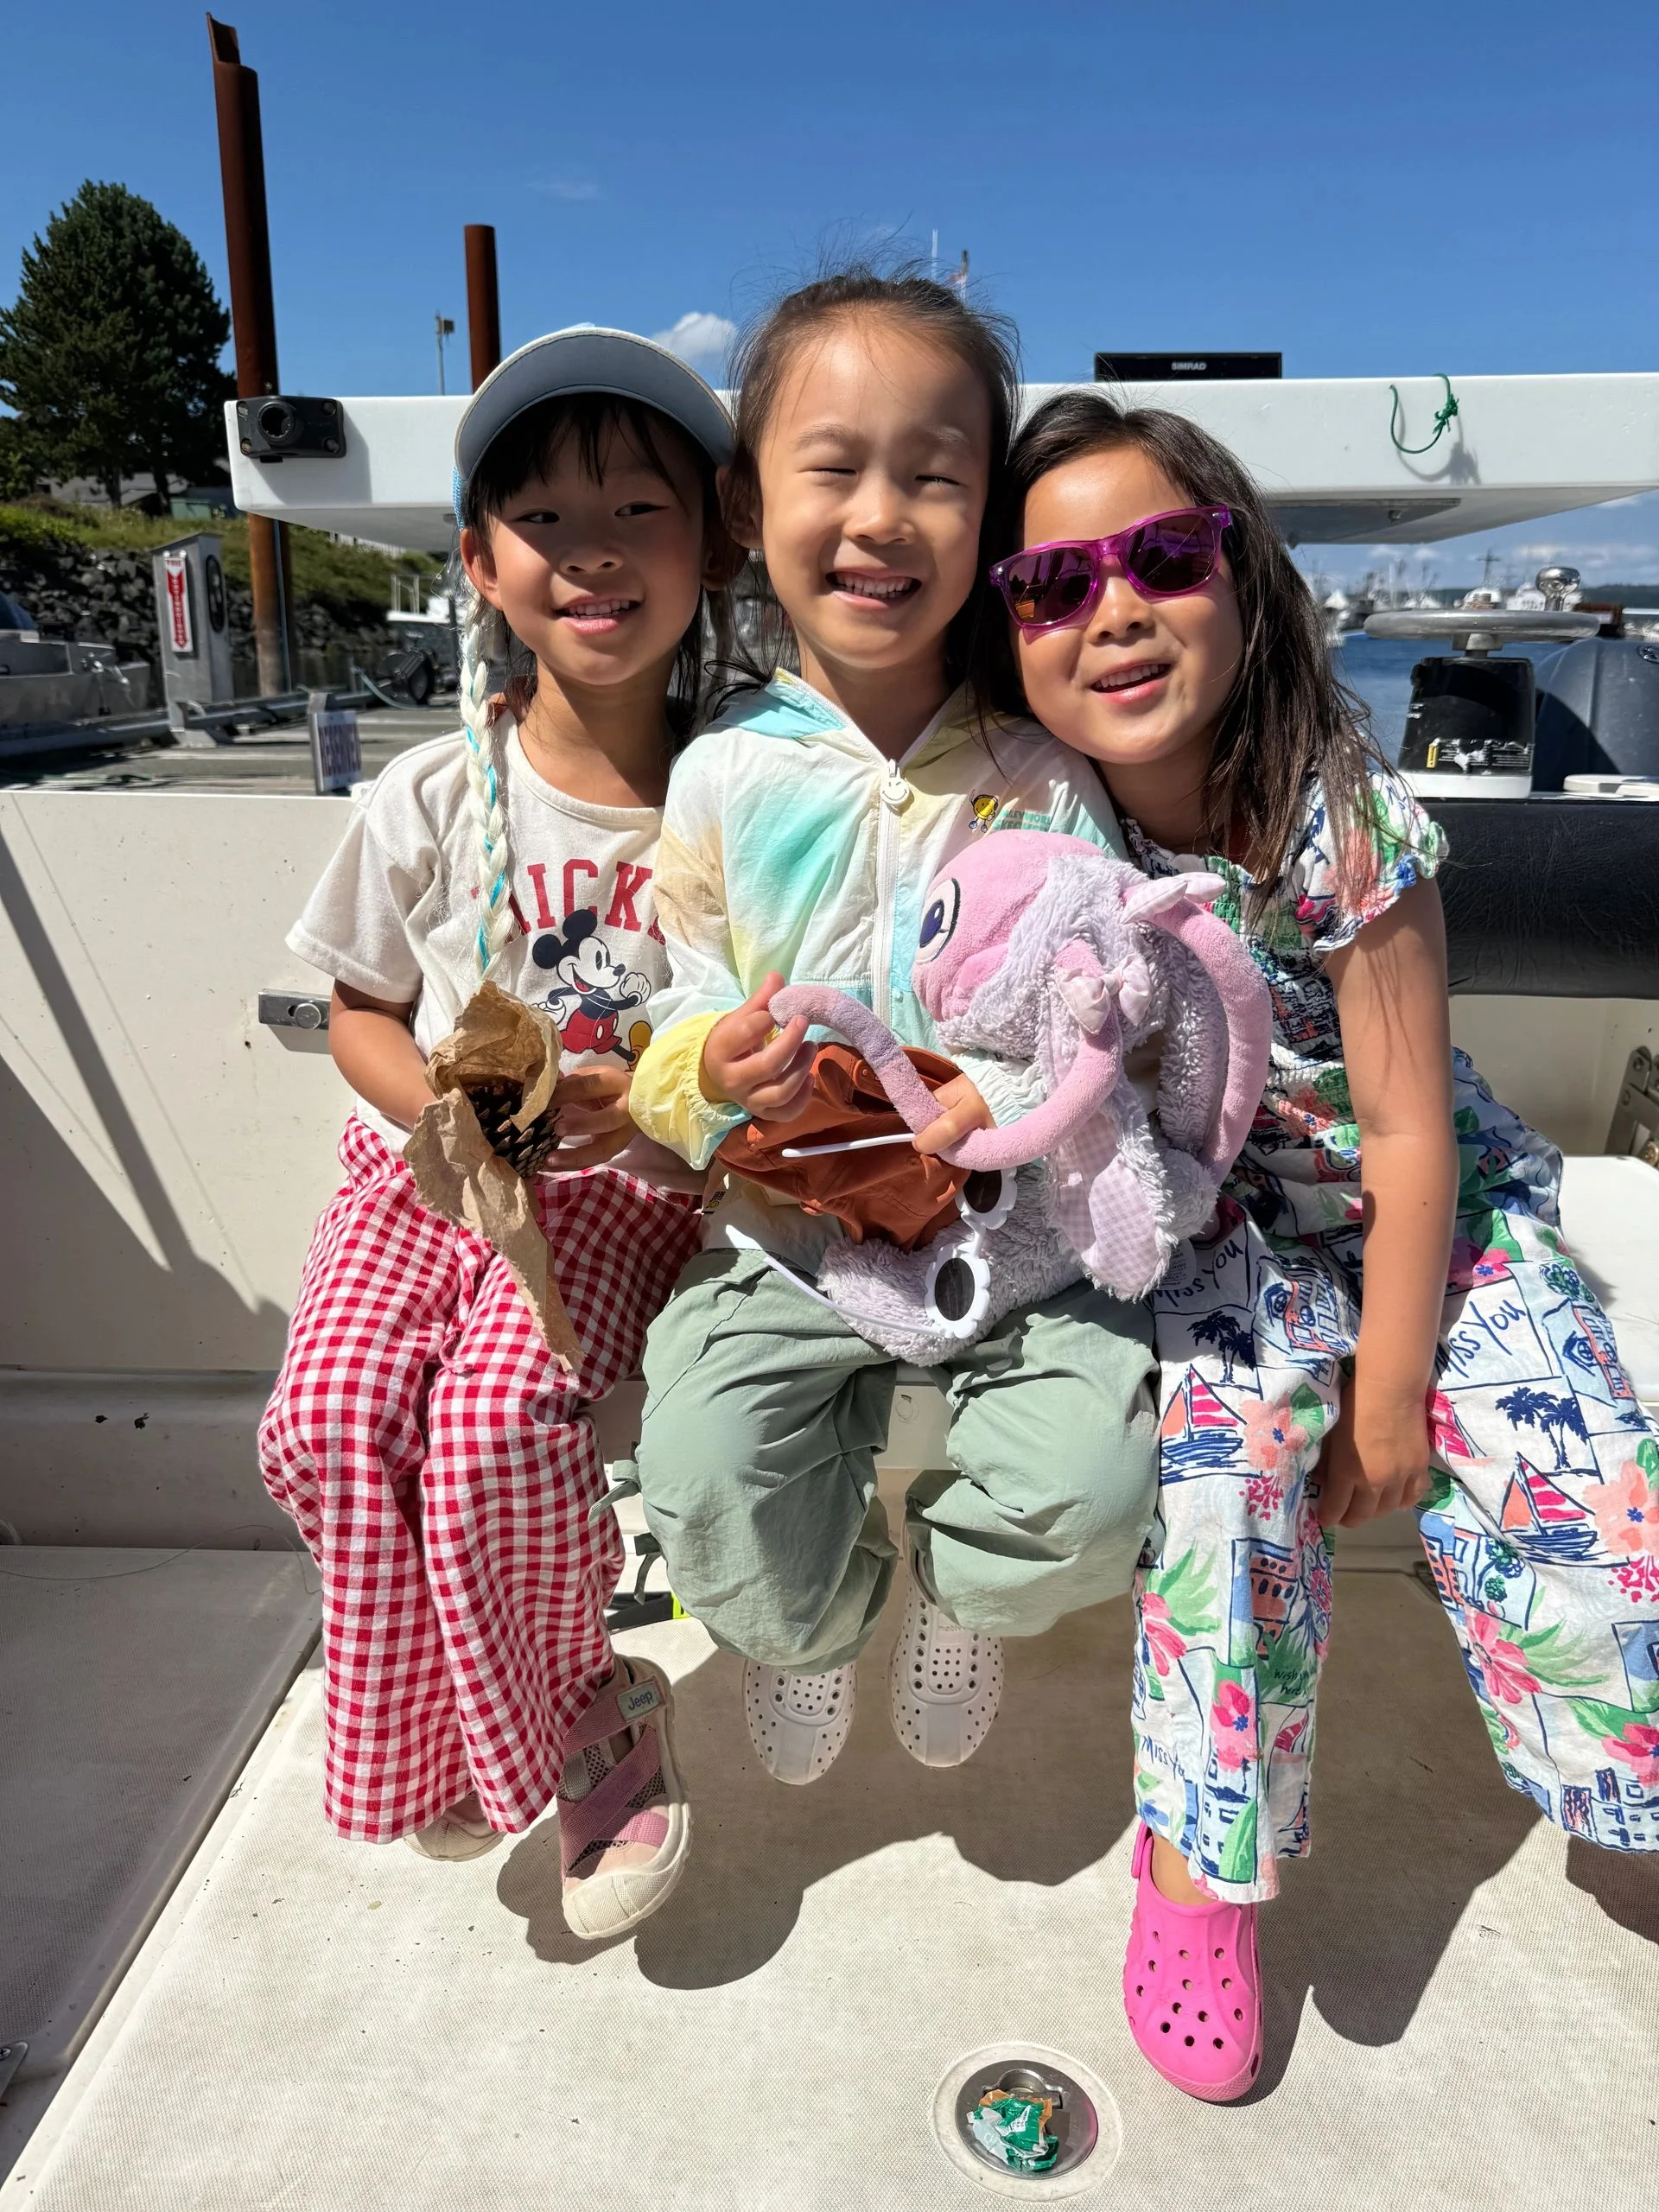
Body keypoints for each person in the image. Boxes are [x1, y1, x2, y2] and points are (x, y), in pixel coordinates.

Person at [986, 386, 1659, 2101]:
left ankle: (1627, 1779)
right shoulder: (1044, 836)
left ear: (1246, 579)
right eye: (1052, 583)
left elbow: (1412, 1132)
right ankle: (1200, 1868)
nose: (1111, 608)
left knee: (1590, 1483)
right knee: (1222, 1502)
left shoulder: (1333, 806)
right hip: (1225, 1230)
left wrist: (1392, 1387)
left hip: (1438, 1213)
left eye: (1162, 556)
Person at [620, 268, 1160, 1787]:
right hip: (790, 1234)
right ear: (748, 507)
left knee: (1094, 1490)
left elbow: (1105, 998)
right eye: (834, 469)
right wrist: (710, 1069)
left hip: (1015, 1239)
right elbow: (672, 1002)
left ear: (990, 519)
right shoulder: (721, 772)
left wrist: (1018, 1093)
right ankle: (809, 1630)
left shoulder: (1046, 768)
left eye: (934, 477)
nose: (882, 517)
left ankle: (959, 1593)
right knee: (700, 1476)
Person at [257, 328, 738, 1939]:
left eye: (639, 510)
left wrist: (640, 1109)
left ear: (713, 544)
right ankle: (471, 1733)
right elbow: (360, 1014)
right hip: (426, 1183)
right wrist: (459, 1123)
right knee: (328, 1421)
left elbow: (770, 1027)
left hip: (622, 1198)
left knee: (492, 1433)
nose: (592, 553)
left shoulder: (741, 797)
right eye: (543, 520)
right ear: (479, 561)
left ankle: (594, 1709)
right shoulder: (428, 796)